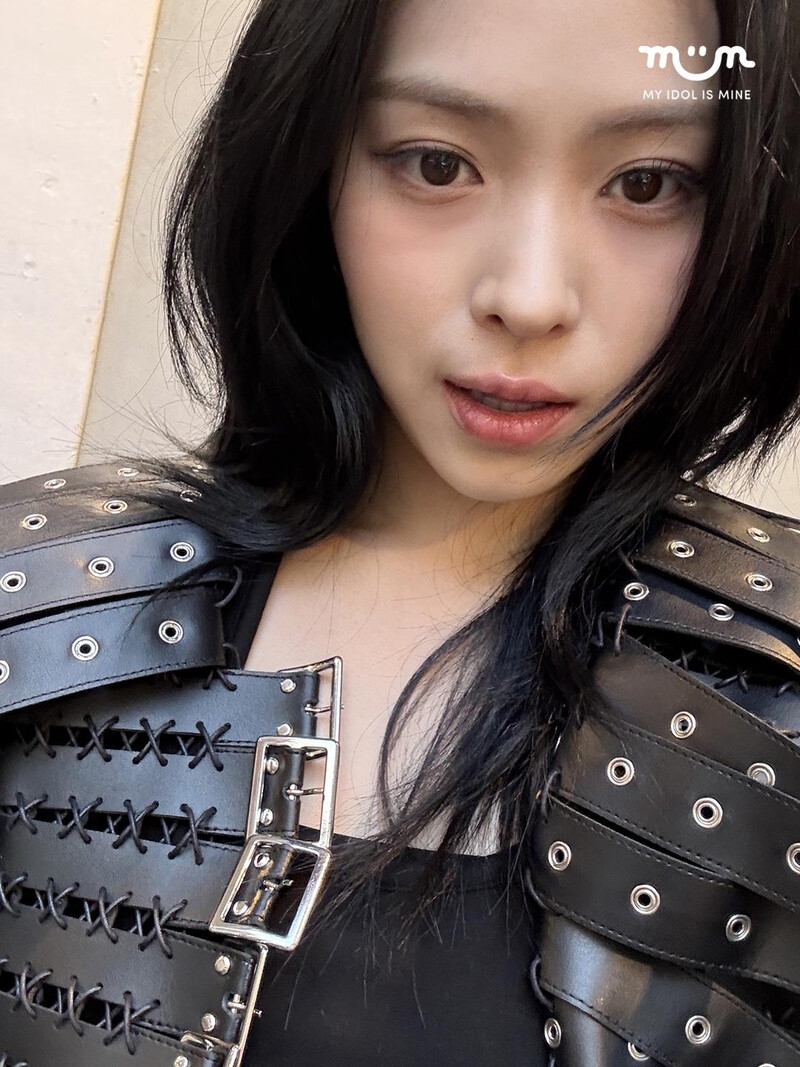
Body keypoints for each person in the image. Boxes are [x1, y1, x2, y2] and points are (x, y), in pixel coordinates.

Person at [0, 0, 799, 1064]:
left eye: (647, 183)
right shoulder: (39, 602)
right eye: (435, 163)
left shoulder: (775, 677)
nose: (529, 297)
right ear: (309, 163)